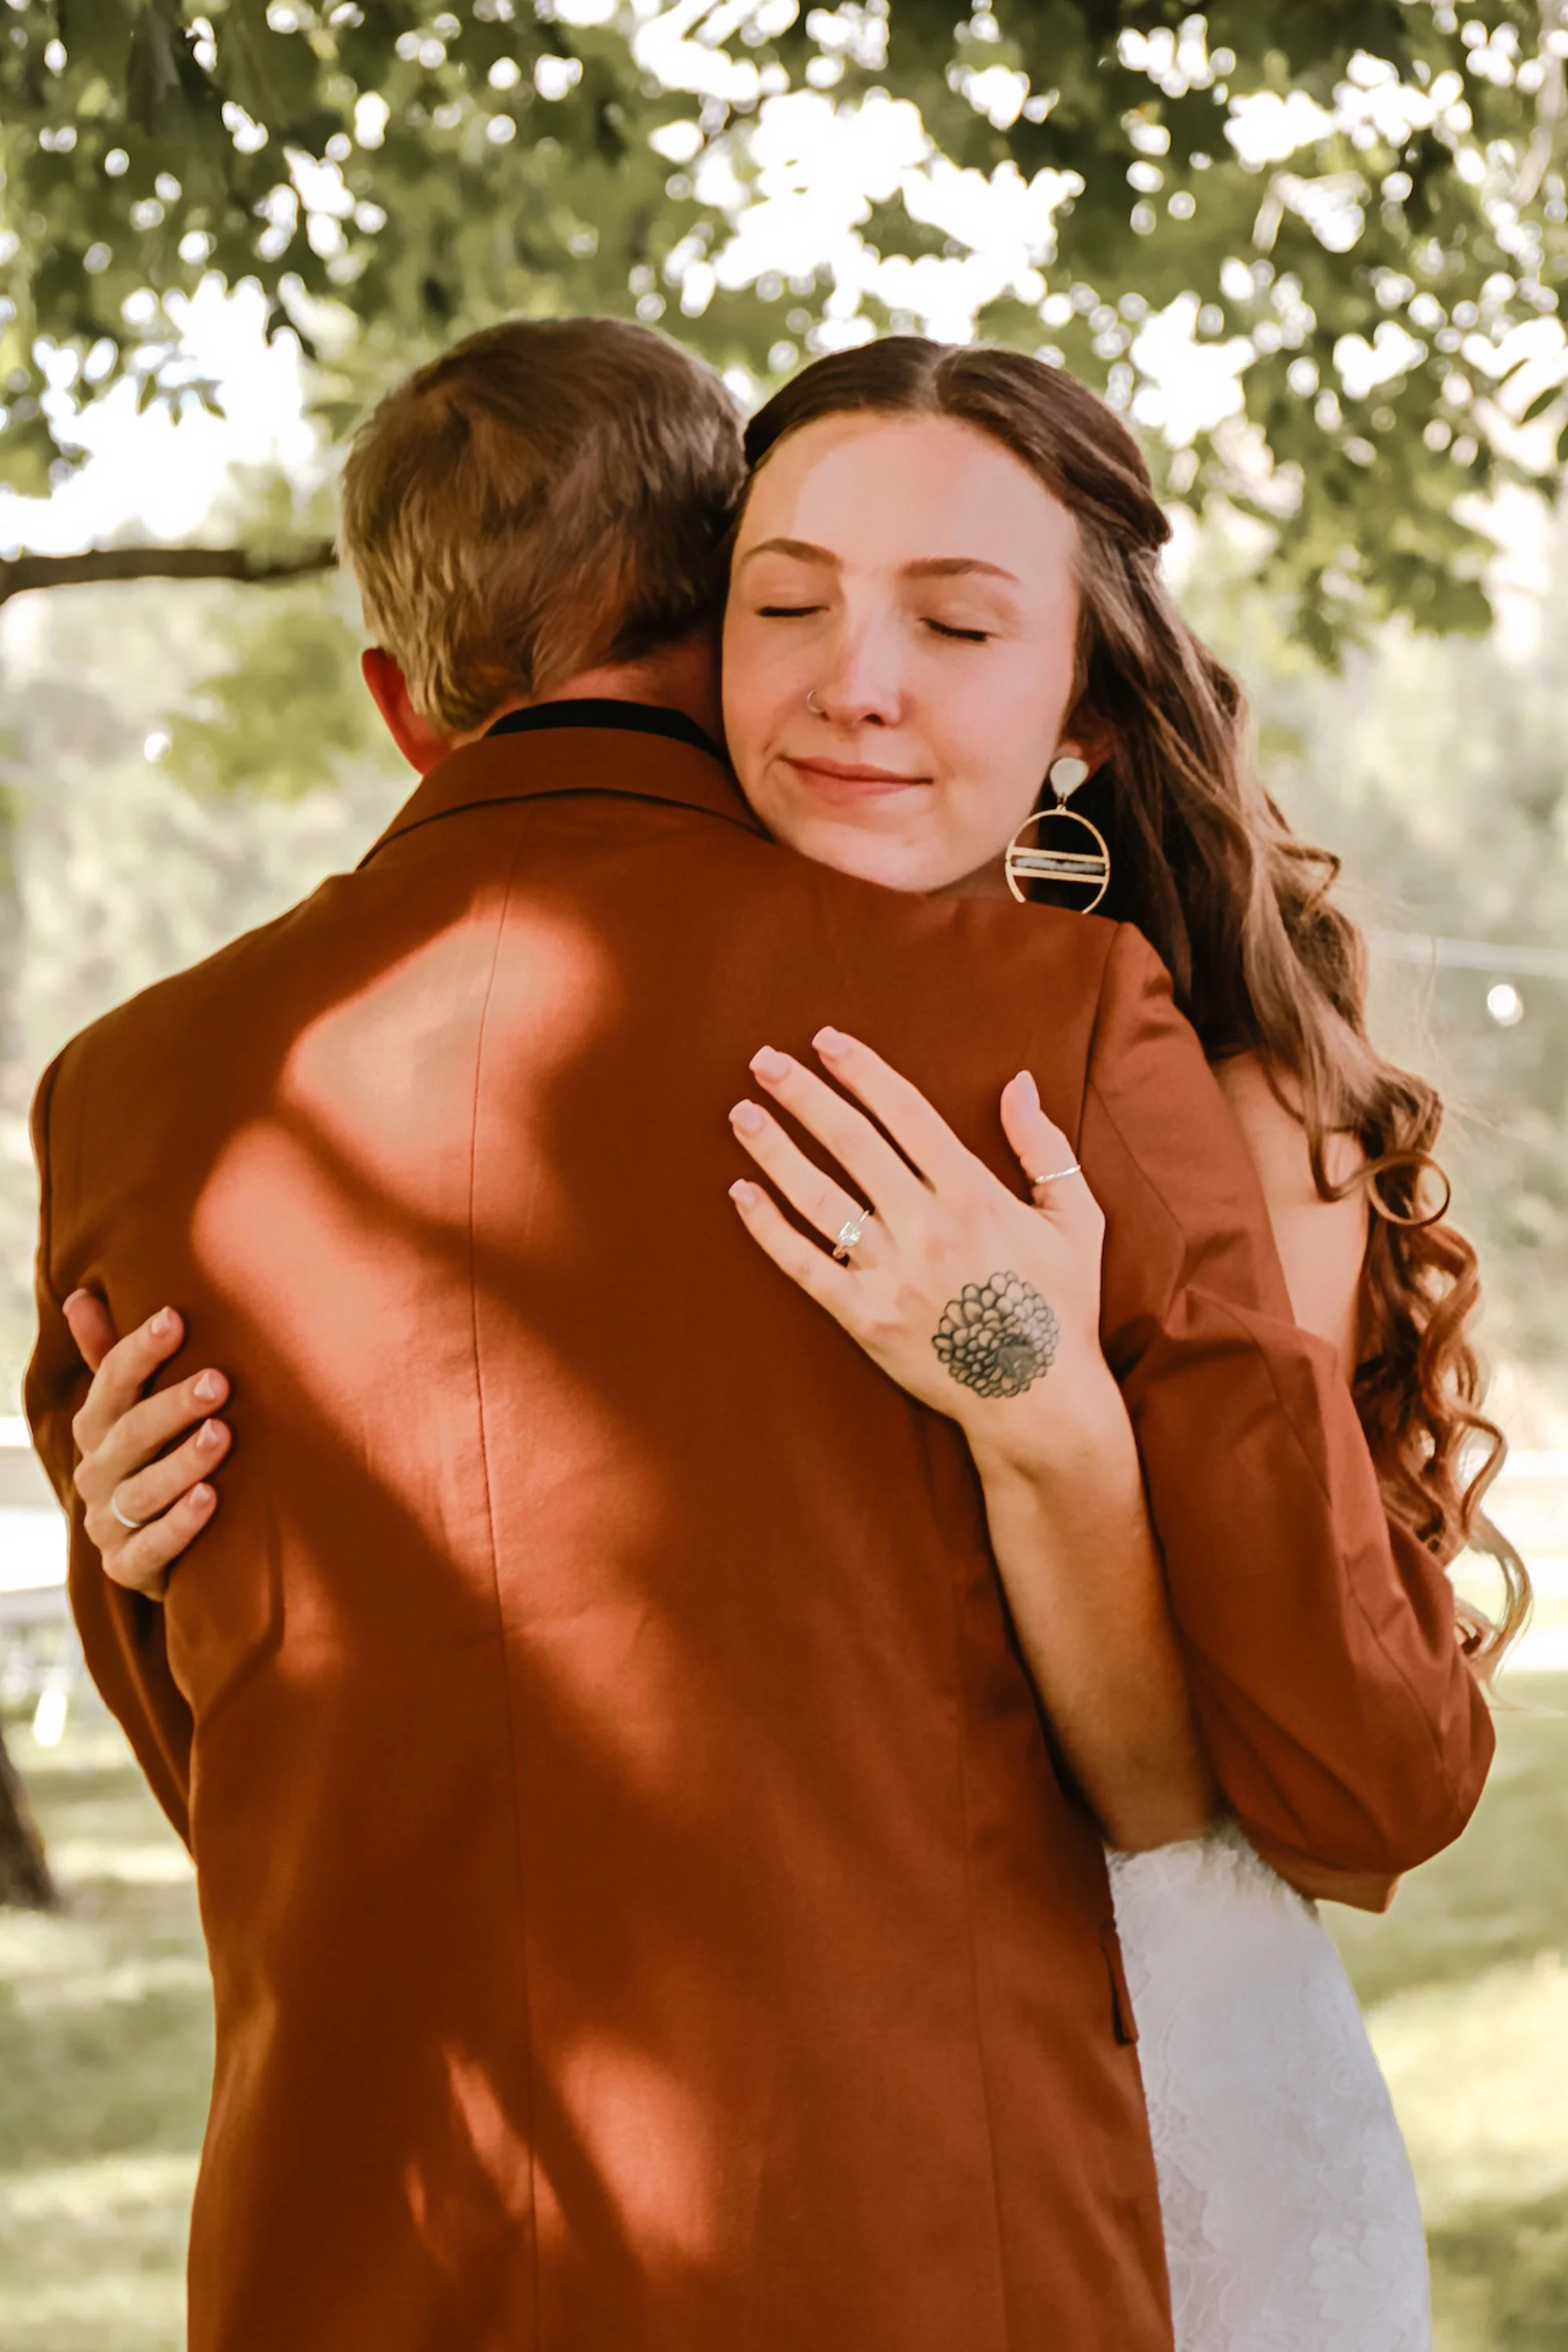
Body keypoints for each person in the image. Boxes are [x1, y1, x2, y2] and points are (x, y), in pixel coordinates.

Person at [29, 320, 1494, 2352]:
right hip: (922, 2263)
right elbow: (1364, 1773)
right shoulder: (1041, 1015)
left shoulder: (129, 1098)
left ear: (396, 701)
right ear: (730, 607)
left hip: (350, 2265)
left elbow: (221, 1755)